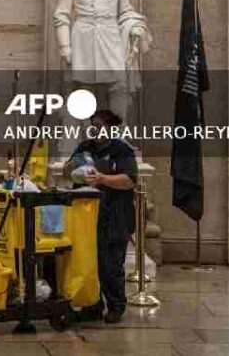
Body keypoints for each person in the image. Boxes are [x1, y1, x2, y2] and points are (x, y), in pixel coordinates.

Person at [53, 0, 151, 119]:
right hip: (83, 40)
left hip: (110, 39)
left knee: (119, 85)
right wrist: (65, 47)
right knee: (84, 88)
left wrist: (134, 26)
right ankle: (85, 136)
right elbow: (61, 15)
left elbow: (125, 11)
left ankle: (118, 134)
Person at [64, 109, 137, 324]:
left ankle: (116, 305)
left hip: (115, 215)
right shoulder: (85, 147)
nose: (95, 129)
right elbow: (67, 172)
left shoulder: (122, 150)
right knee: (88, 263)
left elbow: (130, 179)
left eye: (99, 126)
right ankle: (92, 306)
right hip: (86, 215)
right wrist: (71, 167)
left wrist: (103, 178)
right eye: (92, 125)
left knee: (111, 264)